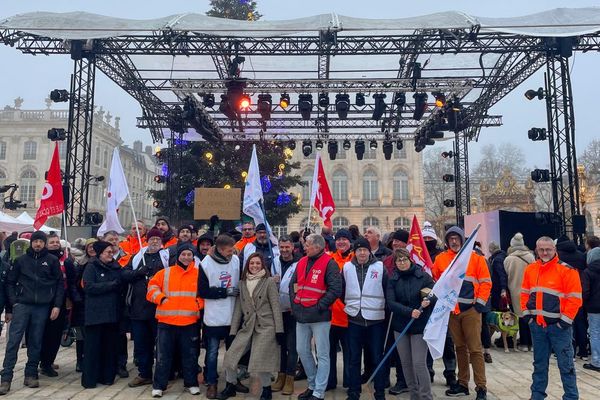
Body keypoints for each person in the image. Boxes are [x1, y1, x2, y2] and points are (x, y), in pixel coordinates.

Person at [0, 231, 63, 395]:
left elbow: (59, 284)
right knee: (13, 342)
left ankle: (31, 374)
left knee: (36, 341)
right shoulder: (21, 260)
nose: (38, 244)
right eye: (35, 241)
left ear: (44, 243)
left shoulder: (52, 261)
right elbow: (10, 282)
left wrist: (56, 305)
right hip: (22, 305)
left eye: (41, 242)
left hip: (42, 306)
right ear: (31, 243)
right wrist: (13, 303)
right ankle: (6, 377)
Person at [432, 227, 491, 400]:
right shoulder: (441, 259)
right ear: (446, 241)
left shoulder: (476, 259)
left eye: (456, 238)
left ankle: (481, 387)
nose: (454, 241)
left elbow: (486, 282)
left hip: (471, 311)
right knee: (459, 348)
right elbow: (436, 280)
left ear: (462, 240)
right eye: (450, 239)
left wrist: (479, 305)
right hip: (452, 311)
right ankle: (463, 383)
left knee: (475, 350)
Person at [521, 236, 582, 400]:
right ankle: (537, 395)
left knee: (566, 365)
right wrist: (528, 317)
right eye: (541, 249)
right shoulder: (531, 269)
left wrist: (564, 323)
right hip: (538, 327)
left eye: (548, 249)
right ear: (536, 250)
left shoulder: (567, 271)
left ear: (555, 250)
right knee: (539, 365)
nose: (545, 252)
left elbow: (575, 299)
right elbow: (524, 293)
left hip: (559, 329)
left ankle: (571, 396)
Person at [219, 253, 284, 400]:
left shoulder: (268, 282)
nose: (254, 266)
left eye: (258, 264)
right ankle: (231, 385)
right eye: (252, 263)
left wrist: (279, 330)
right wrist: (233, 331)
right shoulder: (242, 283)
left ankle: (266, 390)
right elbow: (238, 309)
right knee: (230, 356)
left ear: (263, 266)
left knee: (261, 360)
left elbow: (275, 306)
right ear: (247, 265)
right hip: (248, 325)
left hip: (266, 326)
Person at [289, 234, 342, 400]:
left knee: (323, 354)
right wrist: (295, 305)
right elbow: (293, 285)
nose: (304, 247)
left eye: (307, 245)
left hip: (320, 317)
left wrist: (320, 306)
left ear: (318, 246)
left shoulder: (330, 263)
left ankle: (319, 391)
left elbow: (335, 289)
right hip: (301, 315)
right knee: (302, 351)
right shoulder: (301, 262)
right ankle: (312, 385)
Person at [147, 242, 203, 397]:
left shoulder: (199, 273)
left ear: (193, 257)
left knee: (190, 355)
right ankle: (159, 386)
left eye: (189, 254)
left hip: (189, 322)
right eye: (183, 254)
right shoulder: (165, 273)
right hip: (166, 322)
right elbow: (151, 288)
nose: (186, 257)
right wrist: (161, 298)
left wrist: (197, 304)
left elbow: (203, 294)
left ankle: (191, 383)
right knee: (163, 356)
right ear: (178, 256)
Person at [197, 234, 245, 399]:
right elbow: (202, 291)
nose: (232, 253)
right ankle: (212, 382)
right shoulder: (206, 264)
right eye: (229, 251)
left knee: (233, 352)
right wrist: (224, 291)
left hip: (232, 315)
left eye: (233, 250)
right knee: (212, 353)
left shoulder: (235, 260)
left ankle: (232, 381)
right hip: (214, 316)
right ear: (220, 249)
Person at [122, 228, 169, 387]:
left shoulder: (167, 257)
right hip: (139, 309)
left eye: (157, 239)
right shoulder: (137, 257)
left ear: (161, 241)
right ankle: (144, 373)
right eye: (151, 239)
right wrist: (138, 273)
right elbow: (124, 274)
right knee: (142, 344)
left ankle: (163, 373)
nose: (154, 241)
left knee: (161, 344)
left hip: (160, 309)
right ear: (147, 240)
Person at [343, 237, 388, 400]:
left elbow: (386, 289)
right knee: (354, 358)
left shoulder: (380, 267)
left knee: (377, 357)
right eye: (359, 250)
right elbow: (342, 289)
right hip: (355, 319)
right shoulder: (347, 267)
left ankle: (380, 392)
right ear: (354, 252)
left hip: (376, 320)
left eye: (365, 250)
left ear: (370, 252)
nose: (362, 253)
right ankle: (354, 391)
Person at [386, 248, 434, 400]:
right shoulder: (393, 279)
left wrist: (428, 300)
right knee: (406, 363)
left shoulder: (423, 276)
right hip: (401, 326)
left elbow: (433, 293)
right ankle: (414, 395)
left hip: (419, 326)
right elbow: (391, 303)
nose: (402, 263)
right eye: (398, 260)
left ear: (410, 259)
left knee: (419, 363)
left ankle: (426, 396)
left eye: (404, 259)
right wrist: (409, 312)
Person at [81, 241, 122, 389]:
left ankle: (107, 377)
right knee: (92, 348)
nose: (111, 254)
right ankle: (90, 379)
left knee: (109, 347)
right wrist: (110, 285)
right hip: (95, 315)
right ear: (100, 253)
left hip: (111, 314)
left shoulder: (116, 267)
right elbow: (89, 286)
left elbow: (122, 281)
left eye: (112, 252)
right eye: (108, 252)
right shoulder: (91, 266)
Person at [422, 221, 457, 386]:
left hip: (445, 303)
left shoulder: (442, 256)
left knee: (448, 340)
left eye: (430, 238)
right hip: (428, 301)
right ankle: (428, 371)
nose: (428, 241)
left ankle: (450, 372)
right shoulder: (418, 256)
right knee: (428, 336)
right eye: (425, 238)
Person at [39, 232, 79, 377]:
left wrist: (69, 297)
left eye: (57, 242)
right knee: (41, 333)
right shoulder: (41, 258)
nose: (55, 244)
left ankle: (48, 361)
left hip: (60, 299)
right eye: (52, 242)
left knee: (55, 333)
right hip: (43, 301)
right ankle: (42, 360)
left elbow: (70, 280)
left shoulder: (66, 259)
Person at [272, 236, 299, 395]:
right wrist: (271, 280)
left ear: (292, 248)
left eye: (287, 247)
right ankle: (280, 376)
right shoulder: (275, 261)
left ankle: (290, 377)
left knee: (292, 345)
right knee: (280, 345)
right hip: (277, 310)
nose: (284, 250)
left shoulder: (299, 263)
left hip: (293, 311)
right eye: (281, 247)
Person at [326, 229, 353, 392]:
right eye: (338, 239)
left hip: (349, 315)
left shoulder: (356, 258)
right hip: (329, 315)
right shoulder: (329, 259)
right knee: (328, 352)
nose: (341, 242)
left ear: (350, 241)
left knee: (350, 352)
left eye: (344, 239)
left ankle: (350, 381)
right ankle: (329, 381)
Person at [556, 235, 588, 361]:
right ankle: (584, 352)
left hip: (563, 294)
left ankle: (571, 352)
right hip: (578, 292)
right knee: (581, 322)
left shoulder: (558, 257)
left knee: (568, 323)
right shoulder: (580, 255)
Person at [503, 232, 535, 351]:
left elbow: (507, 274)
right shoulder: (531, 257)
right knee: (530, 315)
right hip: (530, 290)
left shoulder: (508, 259)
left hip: (515, 290)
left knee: (520, 317)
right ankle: (531, 343)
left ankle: (524, 343)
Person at [71, 237, 97, 372]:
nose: (92, 248)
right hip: (82, 304)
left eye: (94, 246)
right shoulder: (81, 263)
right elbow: (74, 284)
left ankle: (91, 359)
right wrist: (77, 298)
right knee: (81, 335)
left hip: (96, 304)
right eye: (89, 246)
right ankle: (80, 361)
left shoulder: (101, 262)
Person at [582, 247, 600, 371]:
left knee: (595, 333)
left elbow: (586, 291)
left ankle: (596, 361)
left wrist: (585, 303)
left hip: (594, 307)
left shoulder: (588, 272)